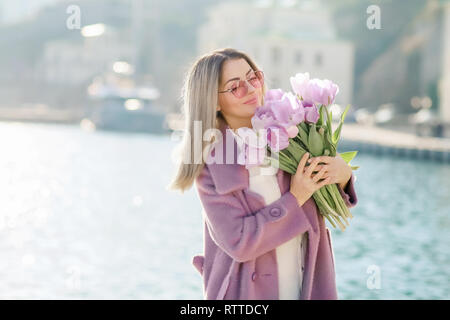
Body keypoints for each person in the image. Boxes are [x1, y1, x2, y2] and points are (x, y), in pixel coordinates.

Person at [167, 47, 358, 299]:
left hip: (307, 286)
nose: (250, 89)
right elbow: (240, 244)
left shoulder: (292, 132)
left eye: (252, 77)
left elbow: (329, 204)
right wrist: (295, 198)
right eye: (235, 86)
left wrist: (342, 176)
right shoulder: (210, 164)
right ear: (212, 100)